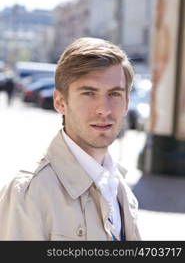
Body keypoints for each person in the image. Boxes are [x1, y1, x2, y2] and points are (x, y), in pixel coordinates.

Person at [0, 37, 141, 241]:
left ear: (127, 103)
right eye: (89, 93)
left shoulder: (120, 188)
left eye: (114, 94)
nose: (104, 109)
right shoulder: (28, 194)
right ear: (60, 102)